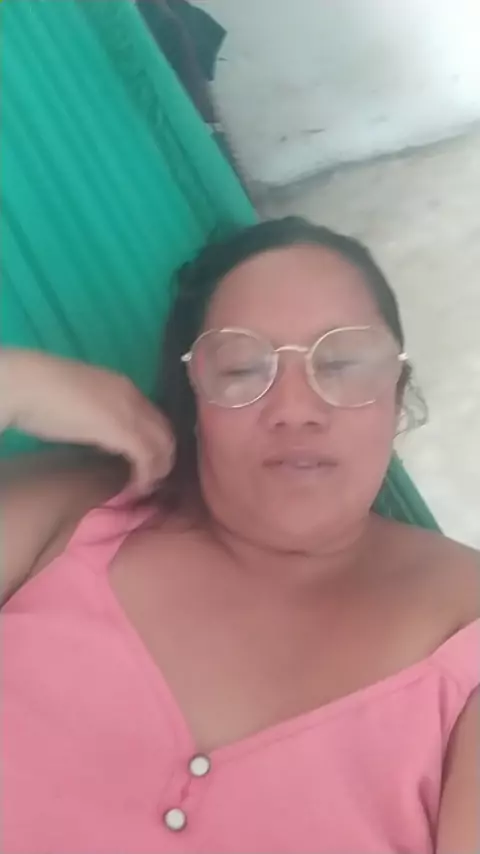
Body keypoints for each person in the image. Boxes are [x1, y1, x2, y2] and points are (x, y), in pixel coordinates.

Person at [1, 217, 478, 854]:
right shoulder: (70, 518)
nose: (295, 409)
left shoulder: (465, 629)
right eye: (241, 368)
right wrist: (16, 386)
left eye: (342, 363)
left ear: (397, 392)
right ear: (193, 403)